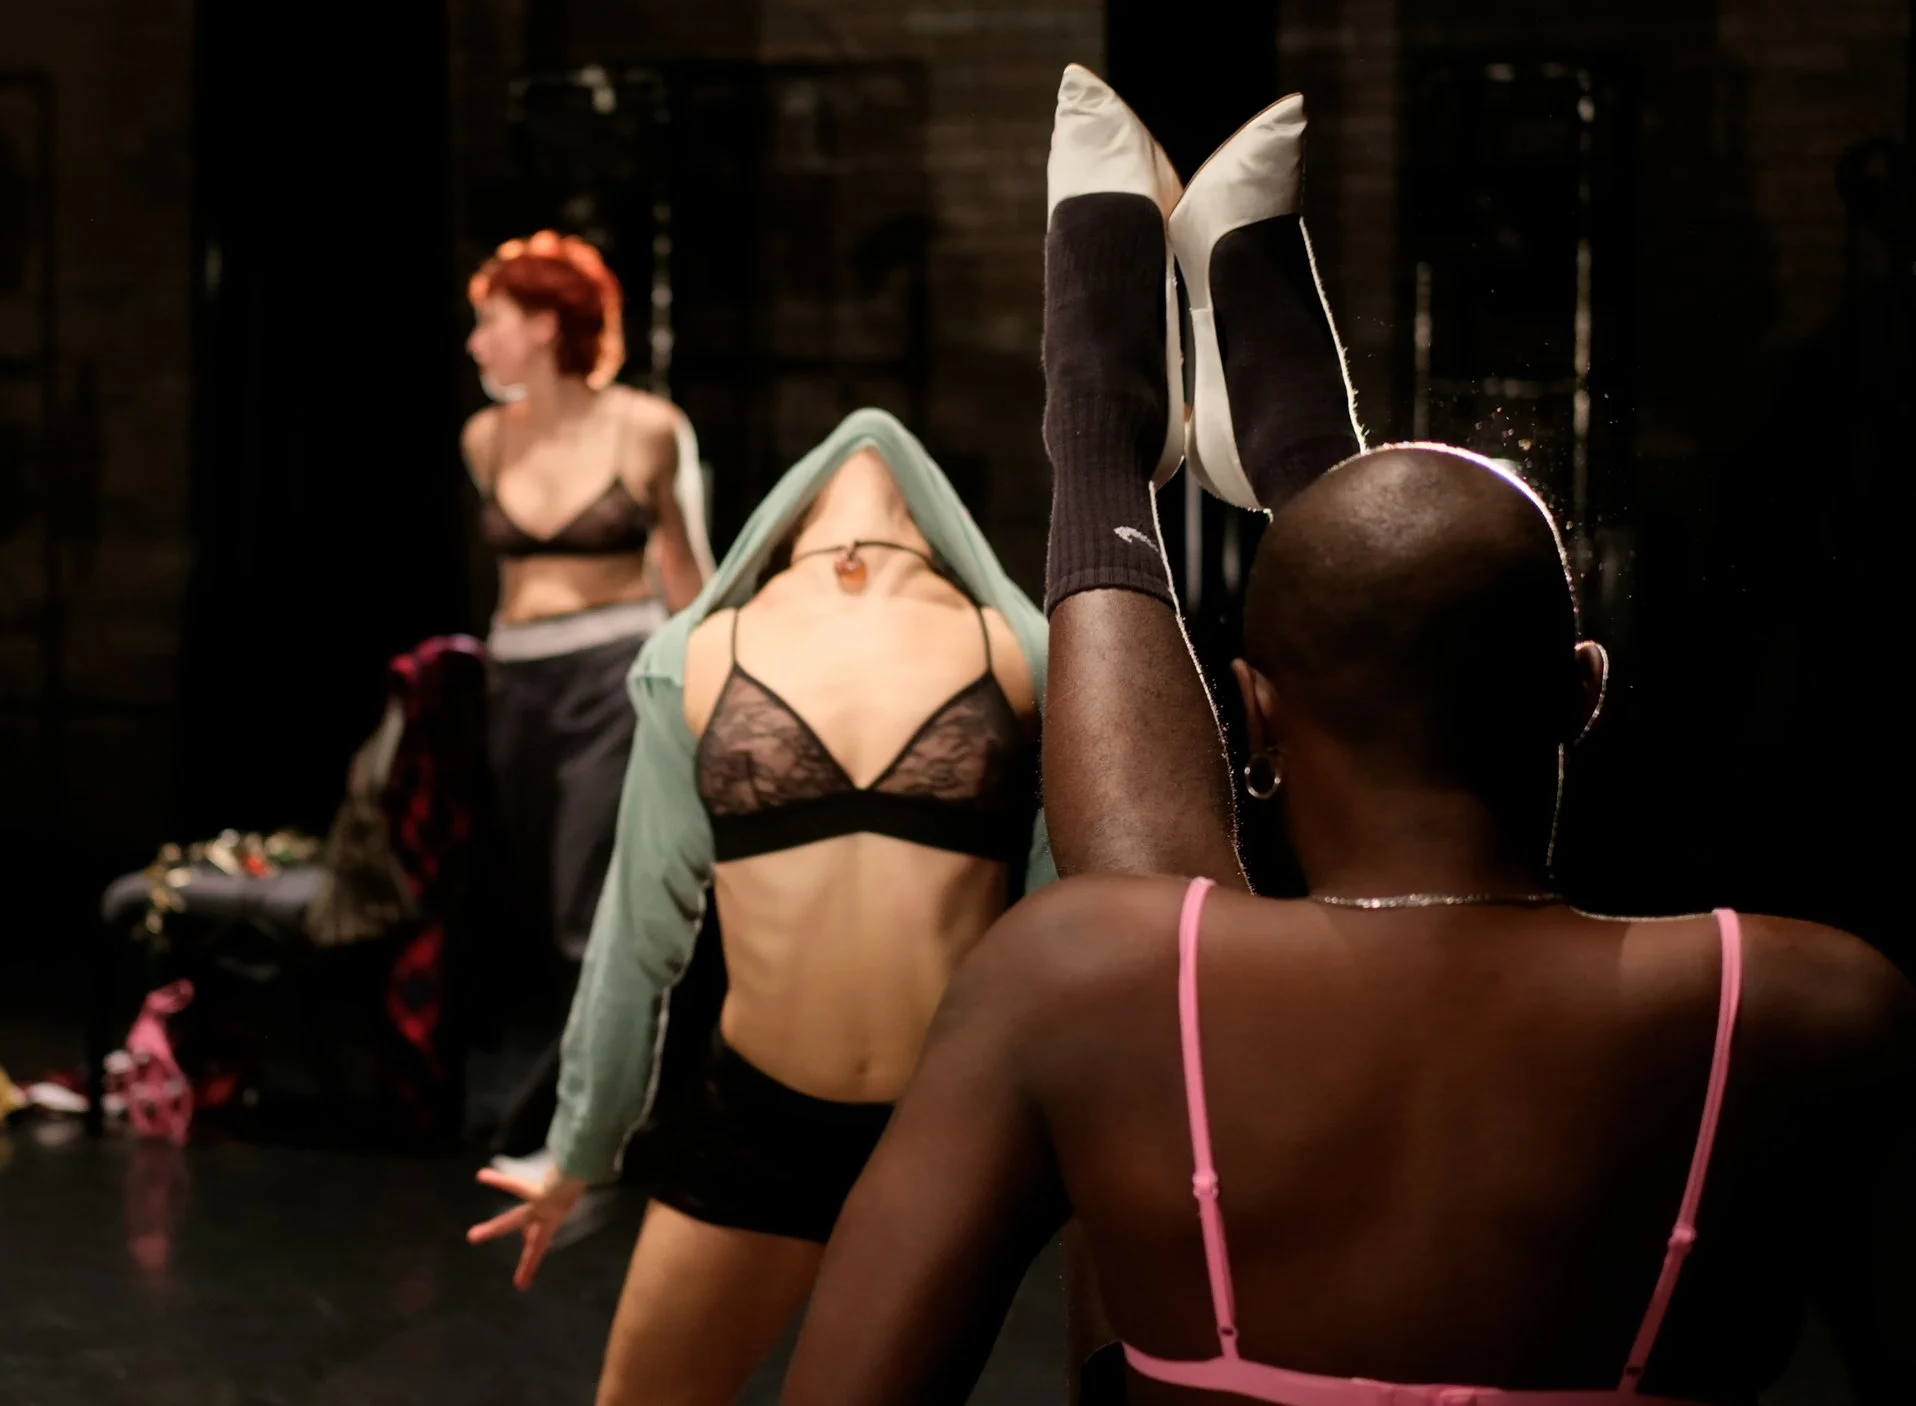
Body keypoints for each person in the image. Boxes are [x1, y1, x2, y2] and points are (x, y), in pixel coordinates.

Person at [781, 67, 1914, 1404]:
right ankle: (1299, 448)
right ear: (1581, 693)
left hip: (1144, 1028)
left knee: (1129, 942)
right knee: (1134, 949)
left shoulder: (1065, 977)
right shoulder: (1809, 1006)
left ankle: (1105, 442)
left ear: (1250, 713)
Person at [467, 410, 1056, 1406]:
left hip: (948, 1138)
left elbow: (1059, 930)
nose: (865, 458)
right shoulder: (694, 655)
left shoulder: (1025, 651)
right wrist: (579, 1146)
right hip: (761, 1124)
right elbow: (638, 933)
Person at [462, 232, 714, 1158]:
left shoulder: (647, 428)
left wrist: (706, 698)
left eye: (489, 320)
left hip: (614, 676)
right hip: (517, 681)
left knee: (585, 902)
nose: (475, 341)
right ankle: (609, 1106)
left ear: (541, 324)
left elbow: (691, 575)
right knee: (544, 899)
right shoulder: (484, 437)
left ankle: (582, 1128)